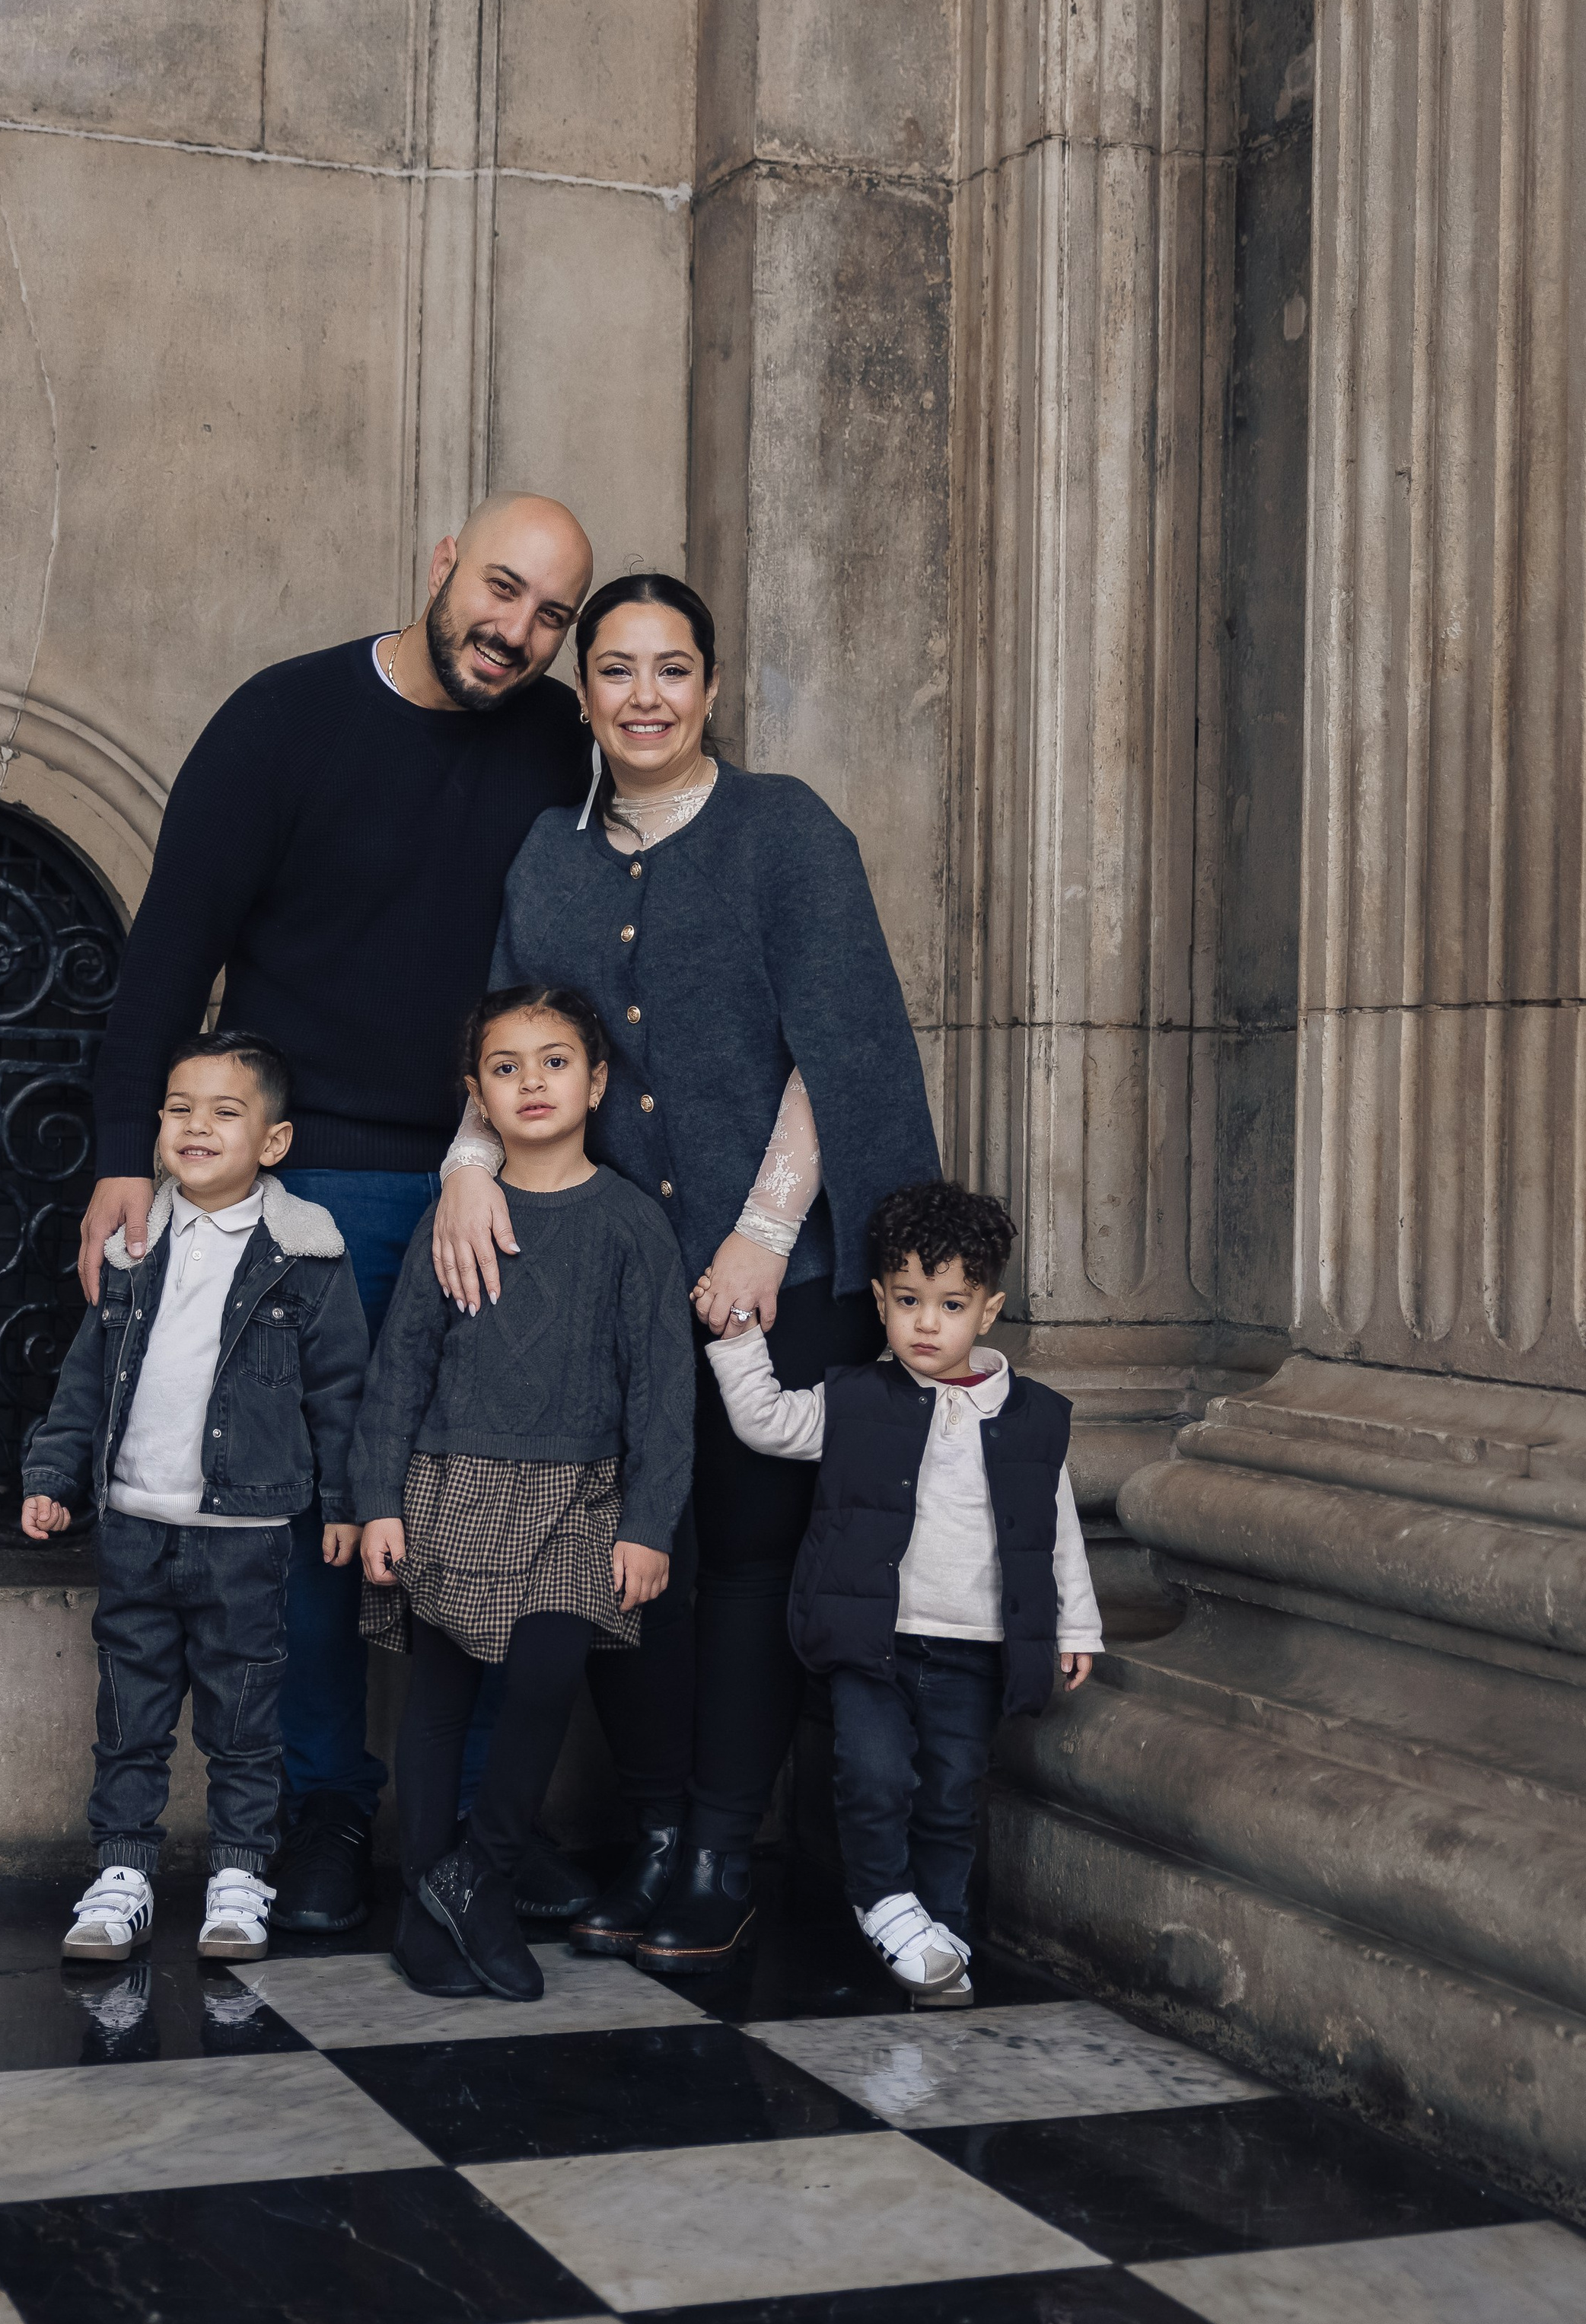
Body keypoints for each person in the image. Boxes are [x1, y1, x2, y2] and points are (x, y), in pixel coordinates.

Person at [77, 495, 594, 1935]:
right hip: (300, 1186)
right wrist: (131, 1147)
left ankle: (487, 1818)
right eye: (501, 589)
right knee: (291, 1511)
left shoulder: (564, 744)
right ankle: (319, 1808)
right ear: (442, 564)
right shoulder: (283, 720)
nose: (519, 631)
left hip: (489, 1172)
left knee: (497, 1497)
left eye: (553, 615)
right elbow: (174, 941)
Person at [434, 571, 941, 1973]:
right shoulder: (551, 854)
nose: (645, 696)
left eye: (672, 669)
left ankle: (721, 1852)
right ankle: (655, 1832)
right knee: (625, 1554)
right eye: (615, 670)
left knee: (747, 1556)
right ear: (582, 693)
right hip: (617, 1277)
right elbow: (511, 1036)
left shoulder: (786, 831)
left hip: (786, 1269)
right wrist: (466, 1166)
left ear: (712, 688)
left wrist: (764, 1235)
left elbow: (834, 1053)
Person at [345, 987, 693, 2000]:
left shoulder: (630, 1225)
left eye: (553, 1062)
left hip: (582, 1493)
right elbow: (400, 1367)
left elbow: (664, 1394)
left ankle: (479, 1878)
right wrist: (377, 1500)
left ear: (597, 1082)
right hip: (455, 1482)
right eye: (506, 1066)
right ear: (476, 1096)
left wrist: (649, 1523)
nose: (531, 1082)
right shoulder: (453, 1220)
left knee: (544, 1677)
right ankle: (424, 1903)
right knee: (440, 1696)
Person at [708, 1178, 1102, 2004]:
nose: (927, 1323)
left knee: (952, 1793)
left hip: (974, 1649)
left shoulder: (1029, 1417)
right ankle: (884, 1901)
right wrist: (736, 1335)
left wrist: (1076, 1626)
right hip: (874, 1643)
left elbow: (1052, 1528)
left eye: (950, 1304)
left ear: (986, 1312)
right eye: (909, 1301)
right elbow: (767, 1422)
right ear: (881, 1301)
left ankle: (942, 1926)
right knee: (874, 1775)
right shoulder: (857, 1401)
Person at [22, 1032, 368, 1963]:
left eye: (225, 1111)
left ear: (274, 1141)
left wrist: (344, 1503)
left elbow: (340, 1395)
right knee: (130, 1716)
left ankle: (241, 1875)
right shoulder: (139, 1247)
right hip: (136, 1525)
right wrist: (54, 1478)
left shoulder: (308, 1256)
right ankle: (122, 1875)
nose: (196, 1126)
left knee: (244, 1722)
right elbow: (84, 1381)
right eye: (179, 1108)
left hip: (246, 1537)